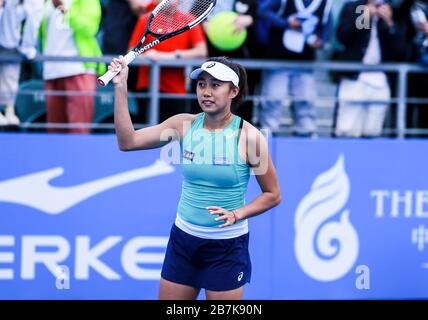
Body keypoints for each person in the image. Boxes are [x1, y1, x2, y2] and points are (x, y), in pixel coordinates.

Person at [109, 55, 281, 299]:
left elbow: (273, 195)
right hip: (184, 242)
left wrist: (237, 214)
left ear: (234, 91)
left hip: (226, 248)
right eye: (202, 84)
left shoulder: (250, 138)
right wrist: (121, 87)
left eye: (215, 85)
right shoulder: (183, 125)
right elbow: (128, 142)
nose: (206, 92)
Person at [257, 0, 333, 137]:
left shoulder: (325, 3)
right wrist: (286, 22)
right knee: (272, 100)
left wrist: (321, 41)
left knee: (305, 102)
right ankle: (266, 137)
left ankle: (305, 138)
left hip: (304, 62)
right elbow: (263, 11)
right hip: (278, 60)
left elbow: (327, 28)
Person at [333, 0, 407, 138]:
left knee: (373, 130)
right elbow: (344, 38)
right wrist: (364, 17)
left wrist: (389, 23)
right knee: (347, 129)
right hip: (354, 78)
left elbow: (399, 50)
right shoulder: (355, 7)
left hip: (380, 80)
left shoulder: (393, 11)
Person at [128, 0, 208, 124]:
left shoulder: (189, 19)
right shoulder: (145, 19)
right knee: (147, 133)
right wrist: (148, 56)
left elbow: (201, 51)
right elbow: (132, 52)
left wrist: (171, 56)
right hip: (148, 89)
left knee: (174, 135)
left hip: (176, 91)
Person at [39, 0, 105, 133]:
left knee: (78, 131)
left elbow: (90, 28)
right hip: (51, 71)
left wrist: (66, 11)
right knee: (54, 133)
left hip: (79, 69)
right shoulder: (45, 3)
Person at [0, 0, 43, 126]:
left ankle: (9, 109)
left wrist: (27, 47)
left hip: (12, 45)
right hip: (9, 42)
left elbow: (34, 18)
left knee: (10, 76)